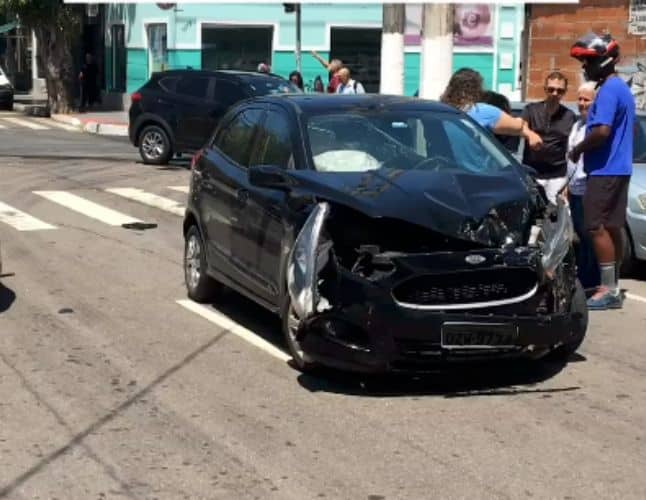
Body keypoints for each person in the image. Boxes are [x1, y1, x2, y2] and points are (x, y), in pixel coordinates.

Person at [568, 32, 635, 310]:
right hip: (619, 169)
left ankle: (607, 288)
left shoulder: (607, 90)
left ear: (606, 61)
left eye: (589, 61)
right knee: (612, 226)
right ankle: (614, 285)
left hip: (604, 170)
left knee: (594, 225)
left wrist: (579, 148)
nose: (585, 67)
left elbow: (603, 131)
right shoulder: (621, 88)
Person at [441, 68, 543, 148]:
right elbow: (517, 126)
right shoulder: (481, 111)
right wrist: (524, 126)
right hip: (479, 172)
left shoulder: (440, 111)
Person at [521, 72, 577, 204]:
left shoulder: (569, 116)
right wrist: (530, 134)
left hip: (558, 177)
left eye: (560, 90)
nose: (555, 94)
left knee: (554, 216)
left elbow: (574, 147)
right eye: (551, 89)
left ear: (565, 92)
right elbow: (520, 126)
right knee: (531, 214)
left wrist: (569, 182)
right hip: (532, 174)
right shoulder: (531, 110)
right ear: (545, 89)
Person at [566, 81, 600, 291]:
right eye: (579, 99)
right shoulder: (577, 124)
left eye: (586, 99)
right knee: (582, 233)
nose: (582, 103)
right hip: (575, 187)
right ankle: (586, 274)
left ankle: (592, 278)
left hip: (589, 187)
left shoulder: (595, 127)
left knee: (590, 235)